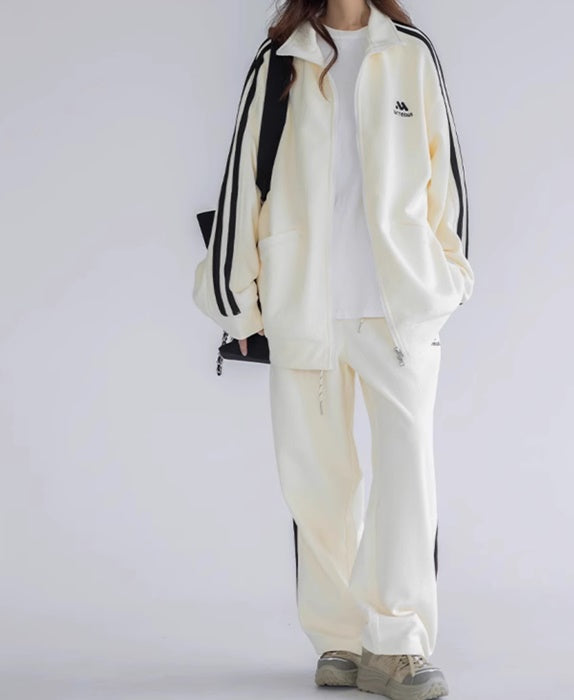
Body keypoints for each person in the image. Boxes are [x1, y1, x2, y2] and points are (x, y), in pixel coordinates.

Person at [192, 1, 474, 697]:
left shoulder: (408, 52)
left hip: (397, 312)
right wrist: (236, 299)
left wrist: (447, 280)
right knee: (317, 483)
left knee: (407, 477)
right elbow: (242, 183)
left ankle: (399, 641)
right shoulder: (279, 61)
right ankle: (341, 638)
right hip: (304, 307)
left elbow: (445, 180)